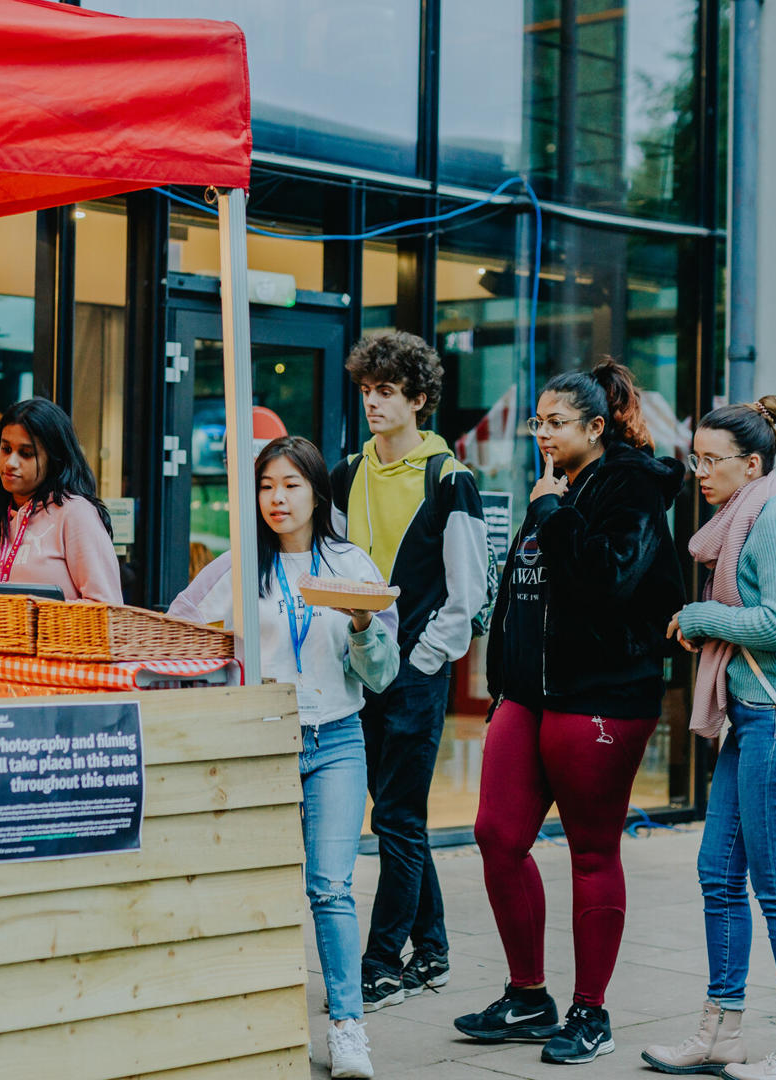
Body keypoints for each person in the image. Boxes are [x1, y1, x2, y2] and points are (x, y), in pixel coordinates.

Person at [455, 360, 686, 1066]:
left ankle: (592, 1011)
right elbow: (532, 586)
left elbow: (605, 581)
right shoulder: (554, 486)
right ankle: (529, 996)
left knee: (592, 851)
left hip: (602, 695)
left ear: (594, 425)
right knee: (497, 835)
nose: (543, 434)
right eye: (538, 422)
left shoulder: (631, 487)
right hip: (529, 693)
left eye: (557, 423)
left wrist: (553, 512)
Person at [172, 435, 398, 1079]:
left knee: (329, 889)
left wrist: (360, 625)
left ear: (318, 493)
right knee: (256, 890)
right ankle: (256, 1023)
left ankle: (348, 1029)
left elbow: (382, 674)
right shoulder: (239, 565)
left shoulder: (351, 565)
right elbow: (181, 628)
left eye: (291, 484)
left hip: (335, 742)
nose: (277, 498)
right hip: (260, 744)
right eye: (267, 485)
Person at [646, 396, 776, 1080]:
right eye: (695, 458)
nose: (699, 470)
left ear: (751, 464)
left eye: (711, 459)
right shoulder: (736, 522)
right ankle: (720, 1032)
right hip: (748, 721)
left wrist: (701, 614)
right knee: (718, 876)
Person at [328, 332, 489, 1012]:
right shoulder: (344, 474)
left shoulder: (449, 479)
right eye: (367, 391)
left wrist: (422, 664)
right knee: (399, 819)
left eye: (387, 391)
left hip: (414, 675)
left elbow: (469, 590)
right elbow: (332, 568)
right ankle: (434, 950)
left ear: (419, 399)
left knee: (394, 817)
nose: (373, 402)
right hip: (355, 667)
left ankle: (381, 960)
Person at [0, 397, 121, 603]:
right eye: (6, 449)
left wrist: (36, 614)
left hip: (59, 636)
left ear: (54, 459)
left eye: (26, 453)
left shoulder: (76, 514)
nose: (11, 463)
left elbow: (107, 608)